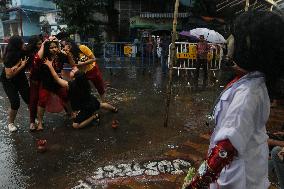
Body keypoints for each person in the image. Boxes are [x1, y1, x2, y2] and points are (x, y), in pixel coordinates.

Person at [183, 10, 284, 189]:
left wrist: (199, 181)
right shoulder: (251, 80)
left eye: (235, 38)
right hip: (246, 168)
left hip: (237, 177)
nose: (229, 42)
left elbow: (225, 148)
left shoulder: (248, 93)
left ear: (252, 49)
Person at [43, 59, 118, 129]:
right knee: (102, 105)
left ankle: (94, 117)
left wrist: (50, 66)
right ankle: (114, 109)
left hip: (85, 108)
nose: (72, 70)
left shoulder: (70, 86)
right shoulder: (84, 82)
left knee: (75, 125)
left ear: (75, 78)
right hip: (91, 100)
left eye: (73, 72)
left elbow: (57, 78)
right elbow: (74, 66)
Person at [37, 39, 72, 131]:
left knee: (65, 96)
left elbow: (71, 61)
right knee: (42, 101)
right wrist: (44, 43)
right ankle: (40, 122)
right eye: (51, 47)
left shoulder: (60, 56)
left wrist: (62, 50)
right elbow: (37, 58)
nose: (53, 49)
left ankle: (71, 113)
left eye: (55, 47)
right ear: (47, 49)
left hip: (58, 82)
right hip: (46, 83)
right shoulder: (44, 57)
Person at [0, 35, 29, 132]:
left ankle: (34, 118)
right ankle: (10, 123)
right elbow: (9, 75)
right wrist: (21, 66)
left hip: (20, 77)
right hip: (8, 81)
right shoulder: (9, 56)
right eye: (22, 42)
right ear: (17, 44)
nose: (24, 43)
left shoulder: (23, 52)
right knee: (15, 102)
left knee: (29, 98)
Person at [26, 35, 43, 131]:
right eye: (39, 44)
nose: (41, 45)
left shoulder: (45, 50)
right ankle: (32, 121)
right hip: (35, 80)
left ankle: (70, 112)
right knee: (34, 99)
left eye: (41, 43)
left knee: (43, 98)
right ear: (34, 45)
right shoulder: (31, 54)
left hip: (45, 78)